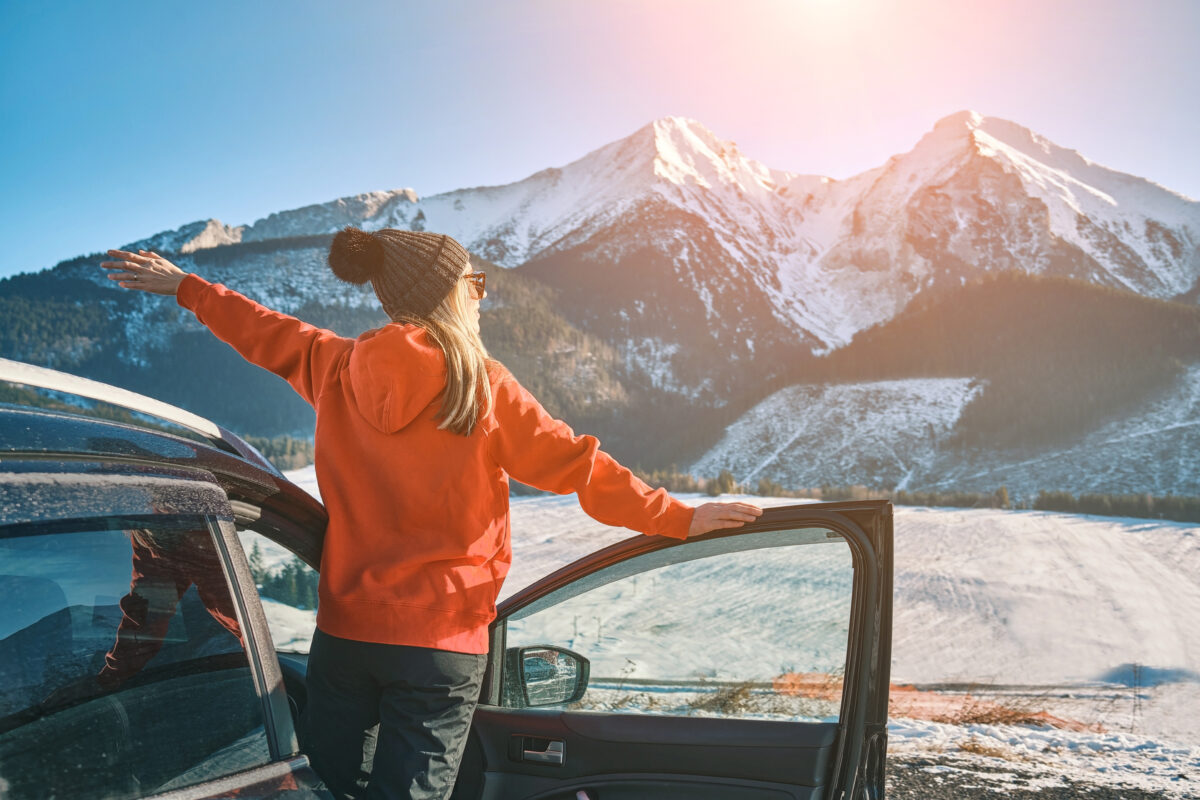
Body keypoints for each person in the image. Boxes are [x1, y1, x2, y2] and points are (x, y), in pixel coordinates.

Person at [101, 229, 763, 799]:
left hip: (346, 637)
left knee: (331, 785)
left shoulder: (334, 366)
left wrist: (186, 285)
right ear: (449, 292)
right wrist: (677, 517)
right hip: (440, 647)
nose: (482, 295)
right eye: (475, 282)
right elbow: (581, 467)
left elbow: (259, 330)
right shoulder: (482, 384)